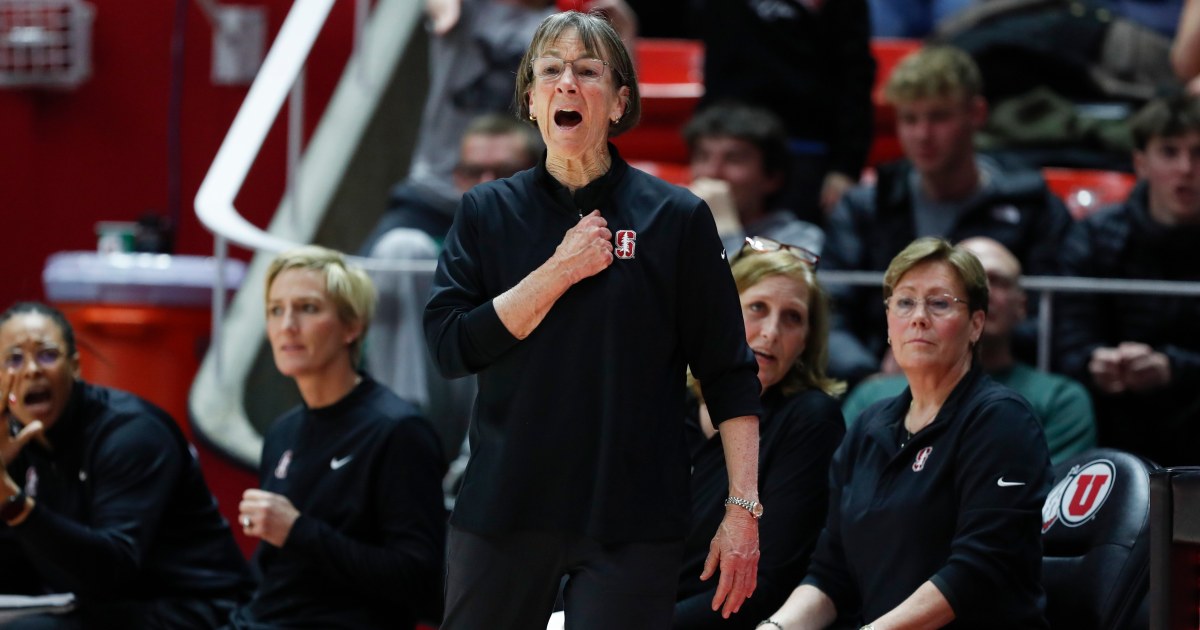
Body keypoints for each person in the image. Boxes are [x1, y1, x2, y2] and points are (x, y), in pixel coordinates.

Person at [424, 11, 764, 629]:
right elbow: (450, 348)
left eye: (588, 71)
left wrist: (742, 509)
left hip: (633, 518)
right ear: (530, 101)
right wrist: (557, 271)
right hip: (507, 507)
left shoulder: (676, 218)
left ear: (619, 101)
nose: (567, 85)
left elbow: (729, 372)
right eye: (550, 71)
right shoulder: (484, 212)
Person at [761, 237, 1053, 630]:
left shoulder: (1002, 420)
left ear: (976, 325)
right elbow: (831, 572)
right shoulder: (868, 426)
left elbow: (977, 569)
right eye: (905, 302)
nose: (918, 317)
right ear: (887, 323)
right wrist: (776, 627)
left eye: (940, 303)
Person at [823, 45, 1072, 385]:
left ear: (977, 113)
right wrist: (871, 378)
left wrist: (950, 354)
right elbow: (829, 313)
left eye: (939, 117)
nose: (922, 135)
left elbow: (1055, 319)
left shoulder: (1033, 206)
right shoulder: (866, 206)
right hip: (882, 386)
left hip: (1000, 384)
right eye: (909, 119)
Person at [227, 246, 446, 629]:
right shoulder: (283, 432)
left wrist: (297, 531)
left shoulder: (398, 431)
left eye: (307, 308)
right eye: (276, 310)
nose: (287, 325)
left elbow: (420, 580)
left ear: (352, 326)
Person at [0, 302, 252, 628]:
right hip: (104, 606)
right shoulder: (13, 442)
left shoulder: (131, 433)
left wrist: (11, 501)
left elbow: (112, 571)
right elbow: (13, 565)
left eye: (47, 354)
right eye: (14, 359)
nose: (31, 370)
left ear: (76, 367)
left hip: (198, 608)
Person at [675, 240, 845, 629]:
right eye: (757, 309)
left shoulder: (810, 421)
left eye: (792, 318)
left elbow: (764, 586)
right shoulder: (664, 399)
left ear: (805, 342)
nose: (771, 332)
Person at [842, 237, 1097, 465]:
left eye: (996, 281)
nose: (983, 292)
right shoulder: (873, 396)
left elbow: (1049, 501)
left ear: (1021, 306)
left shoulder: (1060, 400)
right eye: (966, 283)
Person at [1054, 93, 1200, 467]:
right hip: (1113, 412)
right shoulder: (1094, 236)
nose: (1186, 168)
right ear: (1141, 162)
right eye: (1169, 152)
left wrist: (1172, 368)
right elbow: (1066, 341)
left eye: (1198, 153)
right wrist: (1095, 362)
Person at [694, 0, 875, 224]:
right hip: (727, 137)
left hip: (806, 148)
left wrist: (846, 166)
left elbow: (856, 72)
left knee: (792, 248)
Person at [361, 113, 543, 253]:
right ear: (457, 178)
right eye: (473, 172)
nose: (487, 183)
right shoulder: (424, 250)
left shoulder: (564, 242)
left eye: (505, 172)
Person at [684, 102, 825, 257]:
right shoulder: (678, 229)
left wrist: (724, 232)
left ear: (772, 178)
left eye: (734, 159)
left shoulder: (800, 239)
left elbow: (749, 282)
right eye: (702, 157)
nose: (712, 172)